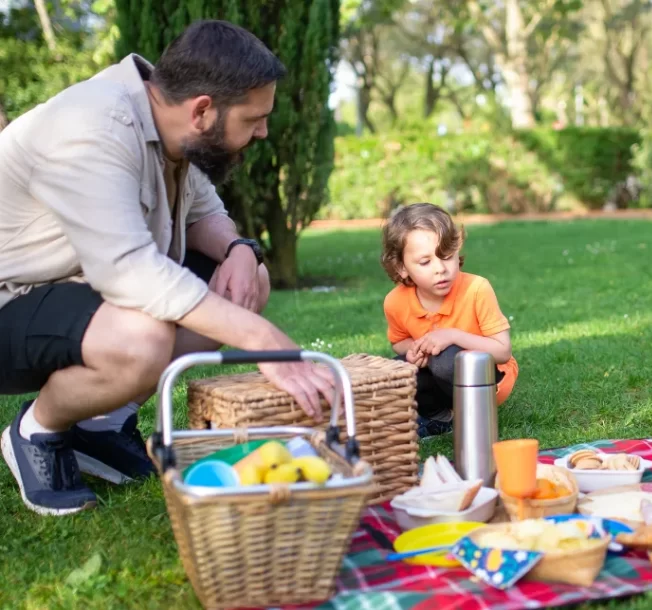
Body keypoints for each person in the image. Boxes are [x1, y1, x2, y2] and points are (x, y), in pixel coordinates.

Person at [0, 20, 336, 516]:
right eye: (253, 118)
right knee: (143, 337)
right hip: (14, 299)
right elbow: (128, 272)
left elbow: (204, 215)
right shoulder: (92, 128)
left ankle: (102, 425)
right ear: (203, 110)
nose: (264, 130)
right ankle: (37, 431)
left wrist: (241, 249)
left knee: (247, 280)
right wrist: (263, 339)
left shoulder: (166, 116)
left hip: (77, 294)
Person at [380, 203, 519, 438]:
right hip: (440, 374)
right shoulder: (395, 301)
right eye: (425, 262)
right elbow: (399, 342)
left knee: (445, 358)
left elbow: (502, 351)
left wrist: (451, 335)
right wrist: (416, 349)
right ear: (402, 267)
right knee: (397, 370)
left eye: (446, 257)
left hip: (488, 378)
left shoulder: (476, 288)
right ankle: (441, 418)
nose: (440, 269)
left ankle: (473, 418)